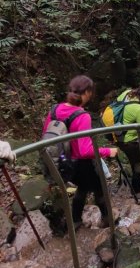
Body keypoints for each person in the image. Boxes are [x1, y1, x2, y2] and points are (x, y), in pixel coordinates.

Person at [42, 75, 118, 230]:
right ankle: (107, 220)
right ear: (88, 92)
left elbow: (46, 135)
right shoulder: (82, 116)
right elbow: (85, 151)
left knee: (82, 188)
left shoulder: (54, 110)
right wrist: (107, 151)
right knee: (99, 188)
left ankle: (75, 221)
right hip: (82, 164)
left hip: (64, 161)